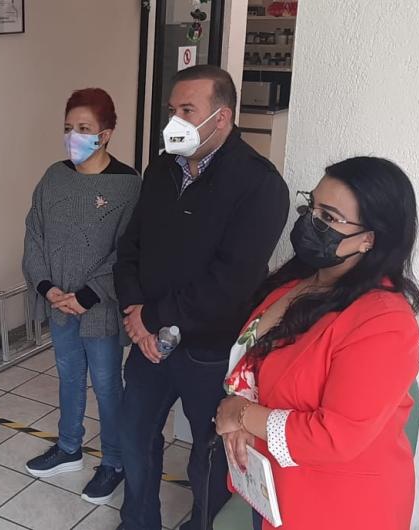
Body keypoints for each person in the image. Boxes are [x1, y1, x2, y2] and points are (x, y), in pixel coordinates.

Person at [114, 65, 290, 530]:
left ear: (222, 117)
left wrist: (153, 316)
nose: (175, 121)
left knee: (210, 455)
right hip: (149, 342)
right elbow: (130, 247)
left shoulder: (259, 184)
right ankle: (138, 521)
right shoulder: (160, 169)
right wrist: (136, 313)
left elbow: (232, 281)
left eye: (187, 110)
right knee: (135, 437)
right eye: (172, 110)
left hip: (210, 350)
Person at [216, 157, 419, 530]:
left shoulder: (384, 321)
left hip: (333, 508)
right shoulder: (299, 283)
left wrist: (240, 414)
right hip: (270, 487)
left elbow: (334, 438)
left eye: (329, 217)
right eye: (311, 207)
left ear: (369, 239)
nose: (310, 222)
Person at [21, 88, 140, 504]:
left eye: (84, 128)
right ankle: (69, 447)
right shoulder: (54, 177)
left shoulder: (128, 185)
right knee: (69, 377)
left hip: (98, 310)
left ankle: (114, 461)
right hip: (60, 306)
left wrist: (88, 295)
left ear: (105, 134)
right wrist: (45, 286)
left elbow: (127, 252)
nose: (73, 136)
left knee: (107, 386)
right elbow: (34, 234)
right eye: (68, 127)